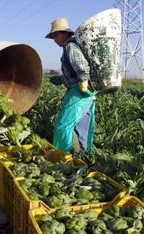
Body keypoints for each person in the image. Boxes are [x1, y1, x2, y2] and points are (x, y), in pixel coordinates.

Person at [45, 18, 97, 154]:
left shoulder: (70, 46)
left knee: (63, 126)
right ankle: (83, 157)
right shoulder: (72, 46)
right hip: (87, 92)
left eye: (56, 35)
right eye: (53, 37)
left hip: (79, 91)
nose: (55, 40)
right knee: (82, 126)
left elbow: (82, 67)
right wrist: (61, 79)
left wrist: (83, 82)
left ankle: (63, 158)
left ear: (65, 33)